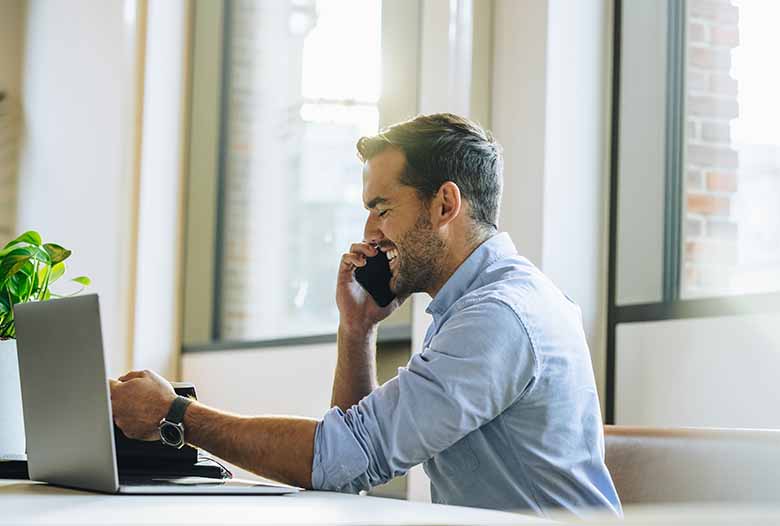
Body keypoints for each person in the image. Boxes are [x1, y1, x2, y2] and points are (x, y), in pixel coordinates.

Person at [110, 113, 621, 517]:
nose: (370, 231)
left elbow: (341, 459)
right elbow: (353, 463)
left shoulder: (499, 317)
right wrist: (357, 329)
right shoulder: (475, 303)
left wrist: (174, 414)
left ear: (445, 205)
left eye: (383, 207)